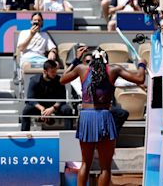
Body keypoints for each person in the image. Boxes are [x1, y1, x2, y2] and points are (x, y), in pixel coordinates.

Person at [60, 46, 147, 186]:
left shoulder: (81, 68)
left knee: (85, 164)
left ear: (91, 61)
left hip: (86, 118)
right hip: (104, 117)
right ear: (106, 60)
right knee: (105, 167)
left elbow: (62, 79)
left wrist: (76, 60)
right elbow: (140, 79)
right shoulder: (113, 69)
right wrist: (142, 64)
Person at [21, 60, 73, 131]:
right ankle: (24, 134)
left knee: (67, 110)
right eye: (52, 72)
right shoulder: (34, 80)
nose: (55, 74)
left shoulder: (59, 80)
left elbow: (62, 98)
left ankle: (68, 134)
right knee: (26, 111)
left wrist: (52, 108)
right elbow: (30, 98)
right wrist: (42, 108)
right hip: (39, 106)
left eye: (55, 71)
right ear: (45, 72)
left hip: (55, 106)